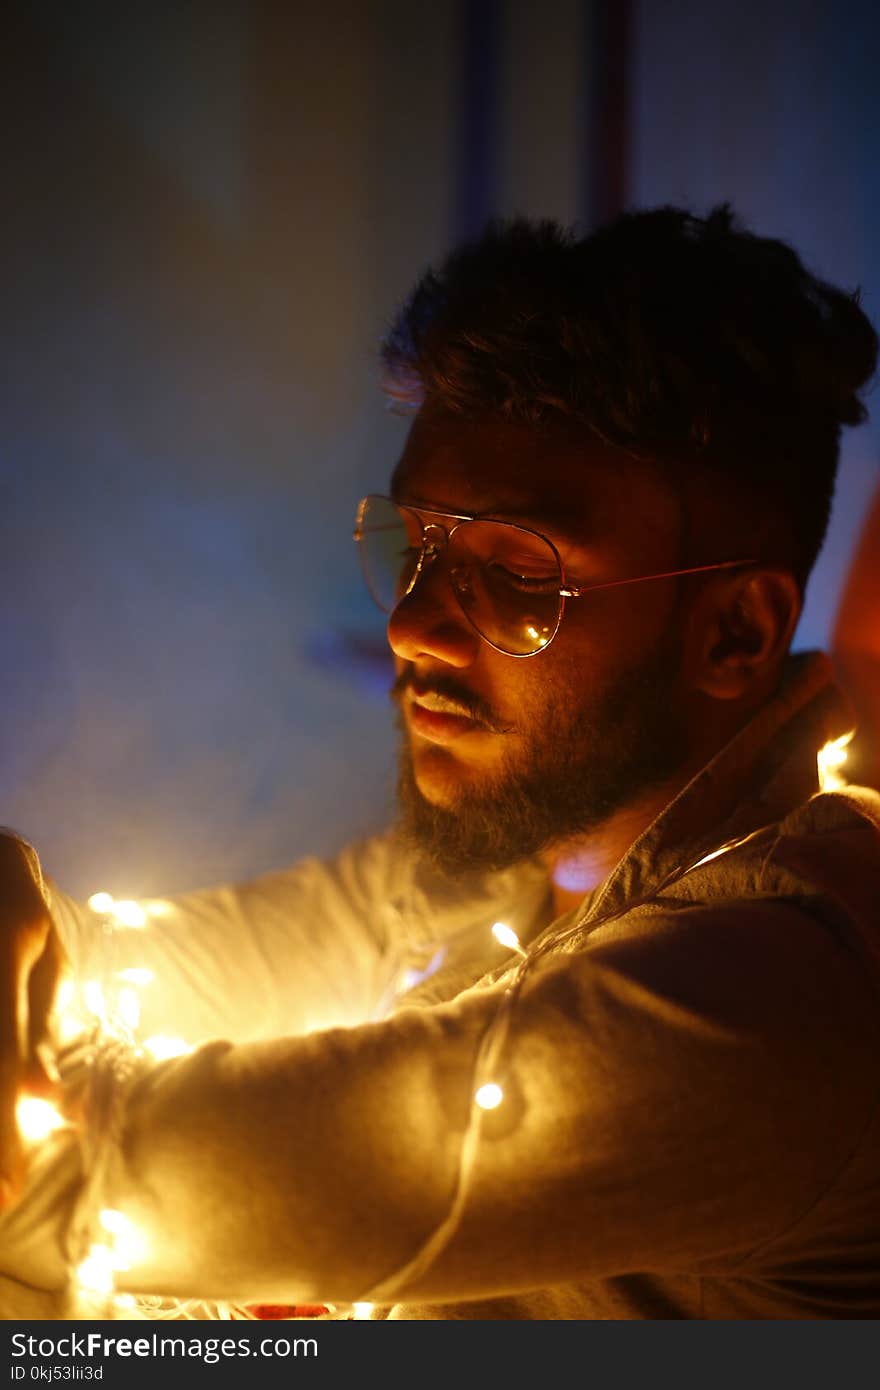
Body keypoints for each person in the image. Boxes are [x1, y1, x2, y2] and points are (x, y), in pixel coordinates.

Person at [1, 206, 879, 1321]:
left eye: (520, 571)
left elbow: (106, 1191)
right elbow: (135, 961)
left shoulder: (780, 996)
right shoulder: (505, 865)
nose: (413, 625)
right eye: (418, 547)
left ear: (734, 635)